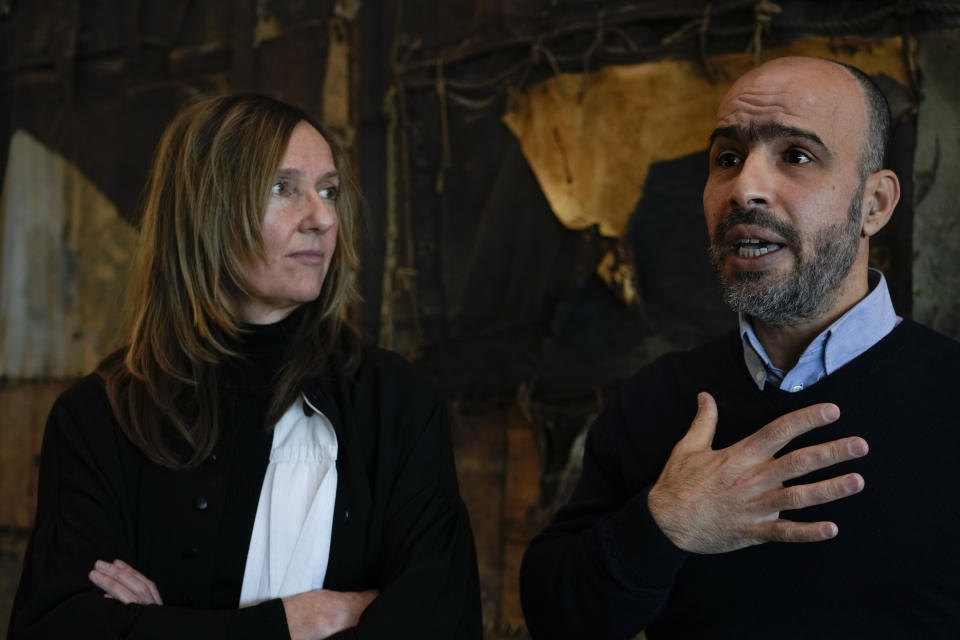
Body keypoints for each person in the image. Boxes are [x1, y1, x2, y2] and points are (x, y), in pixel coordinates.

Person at [8, 94, 481, 639]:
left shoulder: (397, 403)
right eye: (283, 188)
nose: (323, 218)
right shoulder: (100, 416)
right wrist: (294, 623)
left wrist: (157, 627)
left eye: (328, 191)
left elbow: (439, 622)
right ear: (204, 209)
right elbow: (58, 630)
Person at [520, 56, 960, 638]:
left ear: (874, 205)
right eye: (727, 159)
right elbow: (557, 616)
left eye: (796, 156)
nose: (744, 189)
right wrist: (664, 524)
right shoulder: (654, 401)